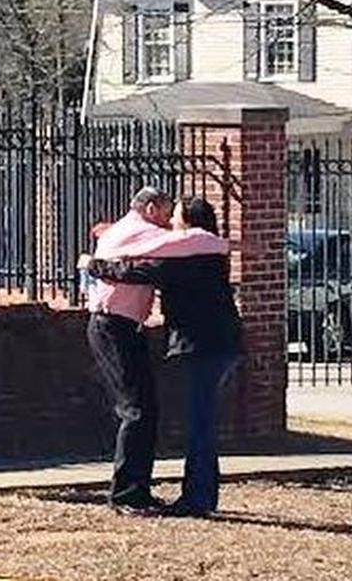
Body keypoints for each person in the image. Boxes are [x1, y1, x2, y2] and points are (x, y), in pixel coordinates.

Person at [88, 197, 242, 518]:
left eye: (175, 217)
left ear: (188, 222)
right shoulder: (198, 254)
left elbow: (142, 270)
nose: (170, 224)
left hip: (206, 346)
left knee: (196, 423)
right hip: (214, 345)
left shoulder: (189, 254)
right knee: (162, 413)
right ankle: (153, 493)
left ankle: (195, 499)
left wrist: (95, 264)